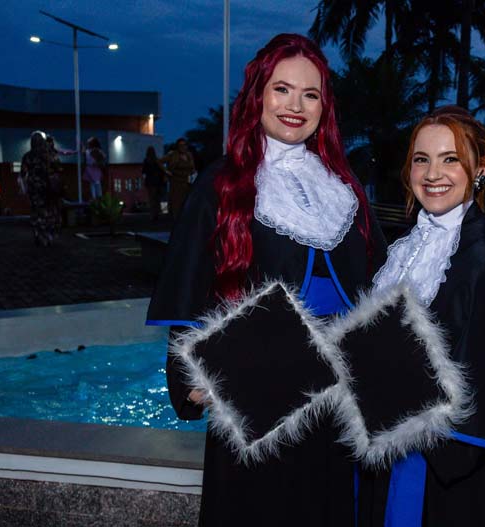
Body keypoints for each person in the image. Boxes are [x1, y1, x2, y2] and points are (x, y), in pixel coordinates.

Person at [146, 34, 387, 526]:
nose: (295, 106)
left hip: (335, 400)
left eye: (310, 94)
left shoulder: (344, 188)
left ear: (324, 107)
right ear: (258, 95)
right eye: (282, 89)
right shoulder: (219, 183)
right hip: (256, 393)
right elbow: (188, 286)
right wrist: (191, 378)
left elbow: (378, 285)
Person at [358, 107, 485, 526]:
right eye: (422, 159)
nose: (433, 173)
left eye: (450, 158)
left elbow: (482, 391)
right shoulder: (406, 248)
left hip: (436, 470)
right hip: (386, 447)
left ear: (480, 170)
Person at [21, 131, 59, 246]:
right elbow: (57, 168)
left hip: (34, 187)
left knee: (36, 210)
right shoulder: (49, 155)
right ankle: (48, 235)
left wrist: (24, 188)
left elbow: (23, 173)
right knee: (49, 210)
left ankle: (39, 234)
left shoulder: (28, 156)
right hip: (47, 186)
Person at [160, 137, 195, 218]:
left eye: (184, 145)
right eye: (181, 145)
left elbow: (192, 167)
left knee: (186, 200)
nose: (183, 147)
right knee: (176, 201)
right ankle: (176, 218)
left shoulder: (189, 155)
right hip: (176, 181)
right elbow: (159, 161)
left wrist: (193, 173)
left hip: (186, 181)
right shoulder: (173, 155)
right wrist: (166, 171)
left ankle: (184, 217)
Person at [142, 146, 167, 221]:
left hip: (150, 182)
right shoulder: (157, 160)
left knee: (151, 199)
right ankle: (157, 214)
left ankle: (153, 215)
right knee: (157, 199)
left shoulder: (146, 161)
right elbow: (162, 171)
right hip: (157, 182)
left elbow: (144, 171)